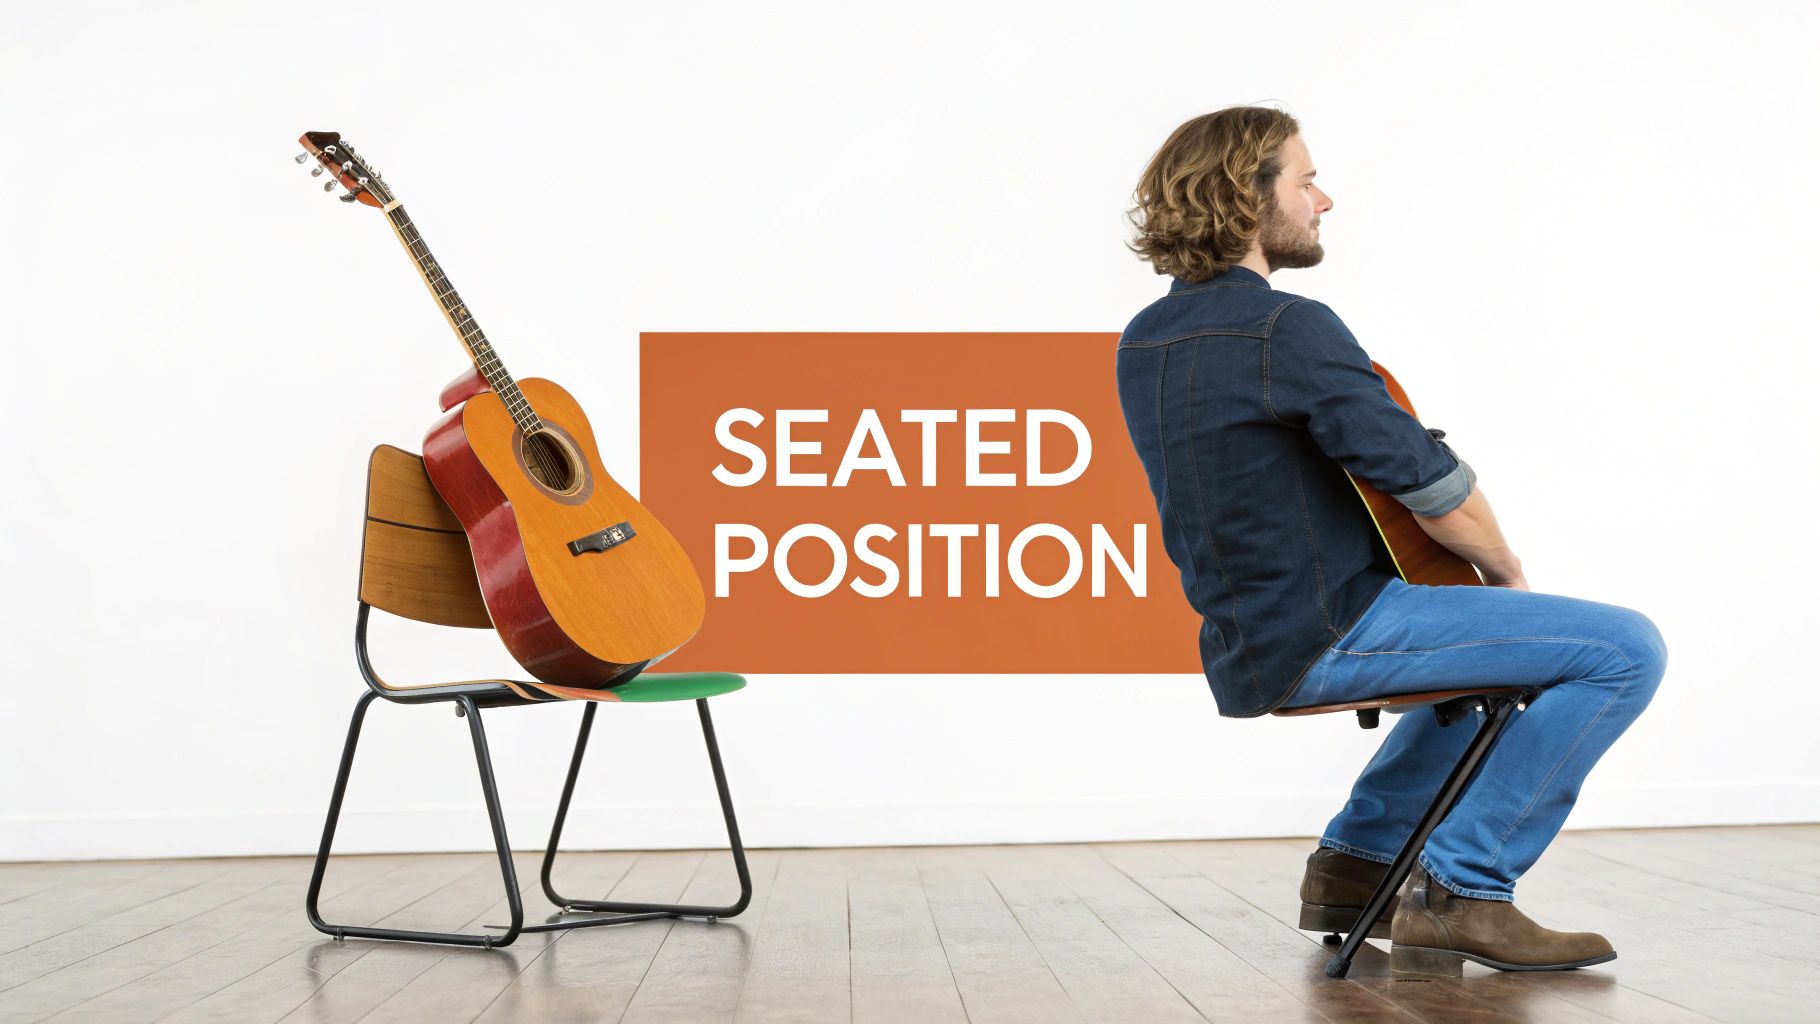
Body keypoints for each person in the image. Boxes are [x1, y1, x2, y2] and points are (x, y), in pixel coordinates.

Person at [1113, 105, 1667, 975]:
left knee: (1491, 664)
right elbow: (1427, 482)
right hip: (1332, 630)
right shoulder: (1285, 328)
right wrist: (1504, 570)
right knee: (1625, 648)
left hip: (1249, 640)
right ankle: (1465, 894)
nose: (1324, 200)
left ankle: (1354, 866)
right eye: (1305, 180)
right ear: (1245, 196)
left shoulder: (1145, 338)